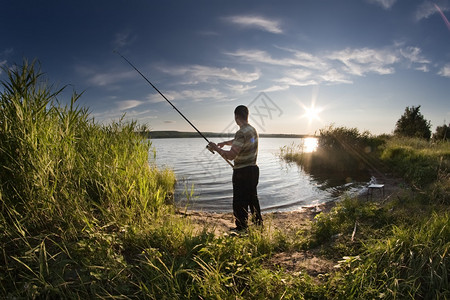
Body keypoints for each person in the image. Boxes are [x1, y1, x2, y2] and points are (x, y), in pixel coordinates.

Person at [209, 105, 263, 231]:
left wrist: (216, 148)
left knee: (239, 202)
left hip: (242, 173)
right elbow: (240, 141)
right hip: (253, 170)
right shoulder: (252, 130)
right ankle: (258, 225)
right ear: (247, 116)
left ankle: (241, 228)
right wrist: (225, 143)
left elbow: (230, 156)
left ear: (236, 116)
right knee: (252, 200)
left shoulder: (241, 132)